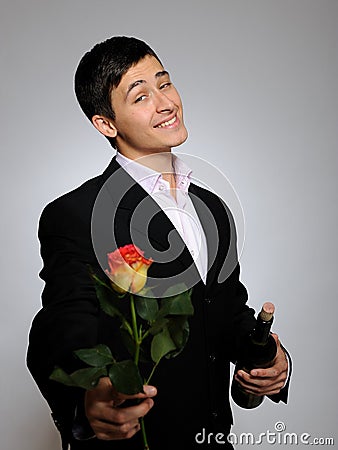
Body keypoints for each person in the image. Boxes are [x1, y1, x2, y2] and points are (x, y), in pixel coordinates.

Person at [27, 36, 290, 450]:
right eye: (140, 95)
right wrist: (86, 400)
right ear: (106, 124)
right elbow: (61, 331)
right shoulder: (75, 214)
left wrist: (273, 360)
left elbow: (221, 311)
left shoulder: (213, 208)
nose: (165, 102)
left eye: (164, 84)